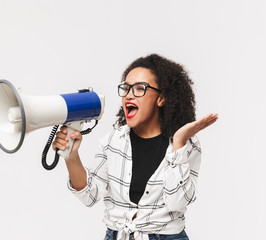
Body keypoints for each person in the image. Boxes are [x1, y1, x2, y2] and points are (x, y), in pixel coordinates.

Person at [52, 54, 218, 240]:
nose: (129, 94)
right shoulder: (114, 140)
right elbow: (90, 195)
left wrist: (178, 143)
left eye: (140, 88)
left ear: (161, 98)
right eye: (126, 88)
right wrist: (71, 157)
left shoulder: (188, 145)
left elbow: (177, 202)